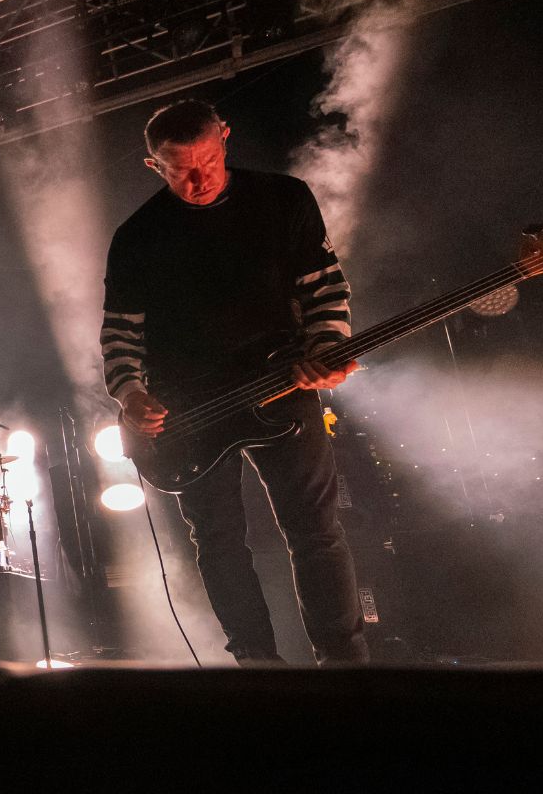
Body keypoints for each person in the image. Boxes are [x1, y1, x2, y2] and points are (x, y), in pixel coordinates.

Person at [100, 99, 367, 664]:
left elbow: (324, 289)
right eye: (180, 170)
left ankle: (344, 662)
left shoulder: (284, 198)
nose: (199, 180)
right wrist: (131, 396)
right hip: (187, 408)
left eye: (210, 161)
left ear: (226, 138)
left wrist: (326, 348)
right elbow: (121, 335)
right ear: (154, 166)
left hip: (281, 385)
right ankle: (256, 664)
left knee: (315, 530)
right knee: (219, 542)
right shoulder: (136, 238)